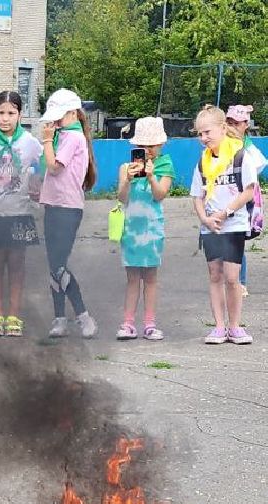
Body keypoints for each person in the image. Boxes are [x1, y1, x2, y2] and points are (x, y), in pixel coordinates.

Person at [0, 90, 41, 337]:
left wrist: (37, 183)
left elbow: (42, 168)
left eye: (11, 113)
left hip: (20, 214)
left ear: (20, 115)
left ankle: (14, 315)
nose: (6, 118)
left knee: (17, 265)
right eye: (1, 112)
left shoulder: (30, 142)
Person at [191, 103, 258, 345]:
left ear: (222, 128)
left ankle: (235, 326)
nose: (203, 138)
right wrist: (205, 219)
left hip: (233, 224)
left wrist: (226, 212)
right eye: (200, 133)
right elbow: (196, 196)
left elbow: (248, 191)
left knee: (232, 277)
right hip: (211, 227)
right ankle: (219, 326)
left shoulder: (239, 155)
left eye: (207, 132)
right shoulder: (202, 162)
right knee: (215, 275)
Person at [38, 87, 97, 339]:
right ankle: (59, 318)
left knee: (59, 267)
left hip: (67, 209)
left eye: (59, 116)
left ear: (73, 113)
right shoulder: (65, 136)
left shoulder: (72, 138)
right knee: (54, 267)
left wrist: (46, 140)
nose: (55, 121)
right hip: (53, 206)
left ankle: (83, 316)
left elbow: (53, 167)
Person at [114, 116, 174, 341]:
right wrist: (127, 180)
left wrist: (150, 177)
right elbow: (122, 197)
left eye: (152, 145)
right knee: (132, 278)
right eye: (143, 146)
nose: (147, 150)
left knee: (150, 277)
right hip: (131, 228)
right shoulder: (125, 167)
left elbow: (160, 195)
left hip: (152, 228)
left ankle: (150, 323)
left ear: (161, 145)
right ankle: (128, 323)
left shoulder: (165, 166)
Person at [225, 104, 267, 296]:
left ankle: (240, 282)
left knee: (237, 239)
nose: (233, 126)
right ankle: (228, 279)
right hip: (227, 194)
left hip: (245, 195)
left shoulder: (247, 145)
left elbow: (258, 165)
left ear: (246, 124)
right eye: (229, 122)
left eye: (237, 123)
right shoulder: (222, 143)